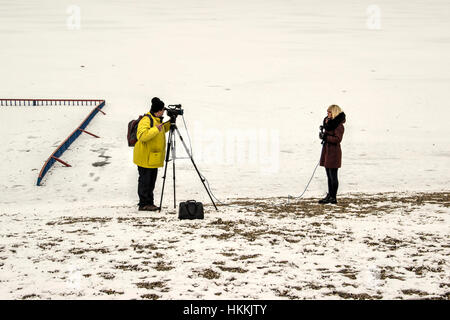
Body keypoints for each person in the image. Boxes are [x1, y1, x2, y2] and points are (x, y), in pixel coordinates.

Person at [133, 97, 171, 211]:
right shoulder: (146, 120)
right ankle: (143, 204)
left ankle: (149, 203)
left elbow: (161, 130)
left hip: (152, 157)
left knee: (151, 182)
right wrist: (155, 129)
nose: (164, 112)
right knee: (145, 182)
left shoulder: (156, 120)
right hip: (144, 157)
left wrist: (170, 122)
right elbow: (142, 136)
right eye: (162, 110)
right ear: (158, 111)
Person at [318, 104, 346, 204]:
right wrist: (323, 133)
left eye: (329, 112)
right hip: (327, 151)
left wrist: (326, 137)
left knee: (333, 175)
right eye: (327, 112)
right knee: (329, 175)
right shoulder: (329, 123)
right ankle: (330, 195)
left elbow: (338, 139)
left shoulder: (339, 125)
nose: (328, 114)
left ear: (334, 112)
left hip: (334, 152)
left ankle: (333, 197)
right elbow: (329, 135)